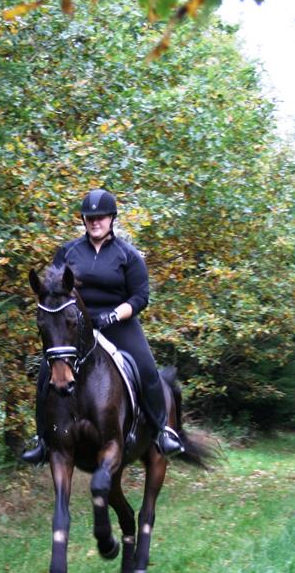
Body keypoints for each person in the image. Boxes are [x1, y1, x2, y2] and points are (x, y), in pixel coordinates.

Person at [22, 188, 185, 464]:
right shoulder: (69, 251)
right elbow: (53, 287)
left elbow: (140, 297)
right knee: (45, 371)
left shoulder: (128, 255)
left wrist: (112, 316)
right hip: (73, 323)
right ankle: (43, 439)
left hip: (117, 322)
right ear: (84, 221)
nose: (95, 222)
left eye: (101, 217)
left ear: (111, 219)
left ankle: (162, 431)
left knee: (146, 367)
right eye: (89, 217)